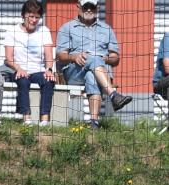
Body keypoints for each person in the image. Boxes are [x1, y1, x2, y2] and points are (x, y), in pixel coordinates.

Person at [56, 1, 132, 130]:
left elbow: (116, 59)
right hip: (73, 73)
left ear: (98, 8)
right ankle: (113, 95)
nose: (89, 10)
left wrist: (107, 59)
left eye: (92, 7)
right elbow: (61, 56)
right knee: (94, 58)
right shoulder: (67, 27)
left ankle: (94, 123)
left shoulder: (107, 29)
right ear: (78, 7)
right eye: (86, 6)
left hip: (98, 74)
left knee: (92, 75)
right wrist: (74, 57)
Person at [3, 0, 55, 127]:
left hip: (38, 70)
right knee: (23, 80)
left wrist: (49, 69)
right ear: (23, 16)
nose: (34, 20)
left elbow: (49, 55)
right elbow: (8, 58)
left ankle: (44, 120)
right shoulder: (12, 31)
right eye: (31, 16)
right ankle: (27, 119)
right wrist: (18, 68)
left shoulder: (44, 31)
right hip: (18, 69)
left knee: (49, 80)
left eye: (37, 17)